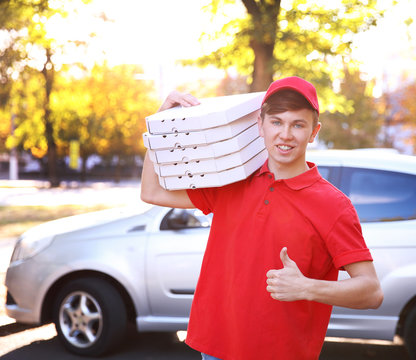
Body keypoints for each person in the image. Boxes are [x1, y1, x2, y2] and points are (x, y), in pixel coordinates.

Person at [140, 76, 383, 360]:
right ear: (260, 125)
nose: (286, 134)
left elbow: (371, 291)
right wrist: (160, 127)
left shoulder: (333, 205)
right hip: (214, 347)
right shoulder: (231, 180)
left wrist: (306, 287)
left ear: (314, 132)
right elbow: (151, 190)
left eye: (298, 124)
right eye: (277, 122)